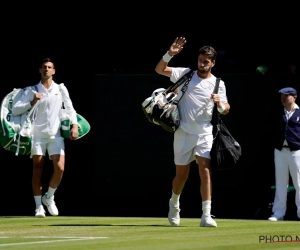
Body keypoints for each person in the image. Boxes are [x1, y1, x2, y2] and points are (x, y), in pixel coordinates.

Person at [155, 37, 230, 227]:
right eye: (200, 60)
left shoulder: (218, 84)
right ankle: (174, 203)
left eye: (206, 61)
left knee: (205, 170)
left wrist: (219, 104)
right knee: (181, 176)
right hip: (182, 133)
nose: (202, 64)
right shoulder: (186, 74)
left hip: (204, 133)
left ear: (213, 63)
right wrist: (170, 54)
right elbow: (159, 69)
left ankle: (206, 215)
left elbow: (226, 108)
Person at [12, 58, 78, 218]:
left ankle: (49, 197)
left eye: (50, 67)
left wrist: (74, 125)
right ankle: (38, 207)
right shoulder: (31, 90)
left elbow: (70, 108)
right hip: (37, 136)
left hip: (55, 136)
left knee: (60, 168)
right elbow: (15, 110)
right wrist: (32, 101)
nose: (47, 69)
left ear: (54, 71)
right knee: (37, 169)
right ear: (40, 70)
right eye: (44, 67)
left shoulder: (61, 89)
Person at [268, 87, 300, 221]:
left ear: (294, 97)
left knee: (299, 183)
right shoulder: (277, 112)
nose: (283, 98)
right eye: (282, 96)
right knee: (281, 182)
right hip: (280, 150)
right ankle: (278, 213)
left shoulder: (299, 112)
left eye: (287, 96)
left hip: (296, 150)